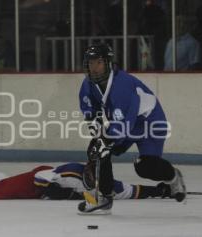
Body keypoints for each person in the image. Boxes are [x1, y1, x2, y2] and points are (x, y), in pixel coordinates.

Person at [78, 43, 186, 214]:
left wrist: (105, 139)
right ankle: (104, 198)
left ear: (107, 63)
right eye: (90, 63)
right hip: (126, 123)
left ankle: (173, 177)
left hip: (150, 123)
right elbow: (90, 110)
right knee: (98, 150)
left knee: (145, 167)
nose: (94, 67)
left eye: (98, 62)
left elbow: (124, 124)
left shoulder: (122, 87)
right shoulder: (88, 84)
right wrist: (97, 132)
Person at [0, 161, 172, 201]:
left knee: (7, 183)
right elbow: (41, 179)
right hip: (41, 178)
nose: (95, 179)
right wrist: (53, 191)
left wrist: (160, 191)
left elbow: (133, 191)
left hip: (43, 179)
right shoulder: (73, 172)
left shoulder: (109, 185)